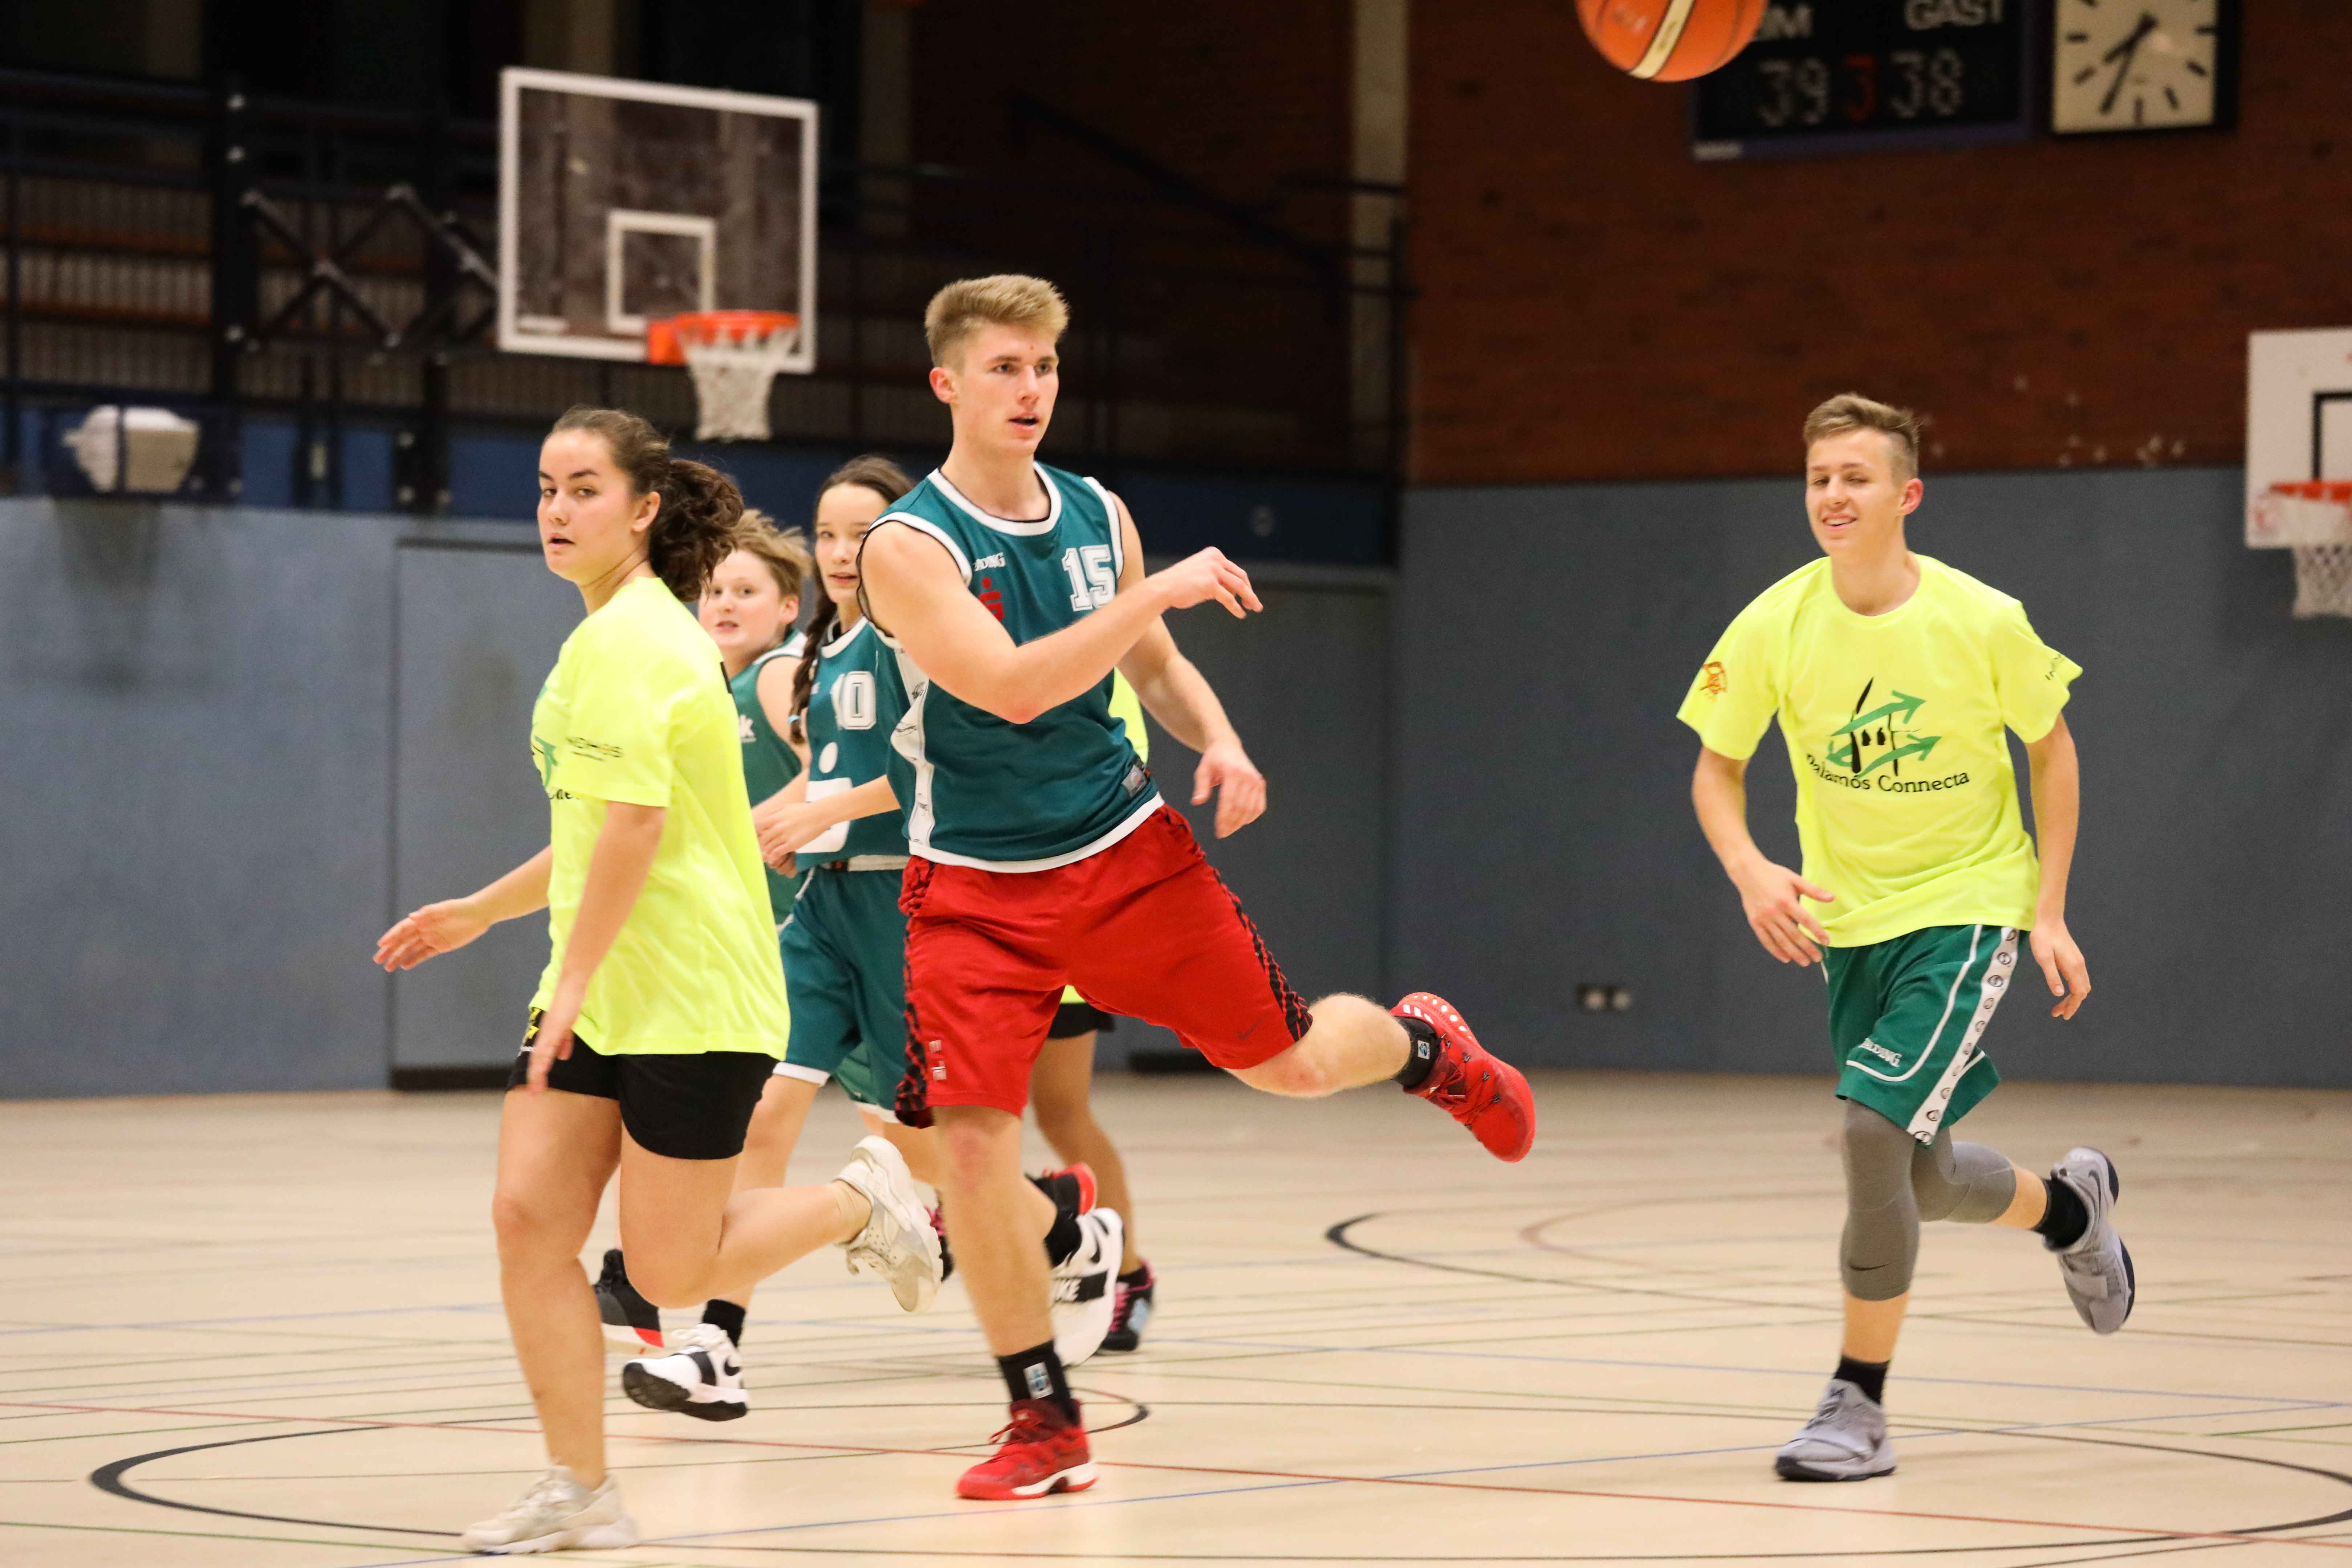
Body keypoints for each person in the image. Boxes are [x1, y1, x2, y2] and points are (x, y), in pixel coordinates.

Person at [856, 274, 1538, 1502]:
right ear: (946, 383)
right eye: (1004, 367)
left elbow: (1156, 667)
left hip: (1124, 855)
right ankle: (1042, 1416)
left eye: (1045, 366)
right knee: (970, 1144)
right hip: (973, 890)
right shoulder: (906, 546)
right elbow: (1009, 687)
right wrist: (1150, 592)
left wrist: (1218, 738)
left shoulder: (1096, 514)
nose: (1030, 388)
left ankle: (1422, 1047)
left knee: (1288, 1066)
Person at [373, 407, 939, 1552]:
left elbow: (634, 830)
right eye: (546, 488)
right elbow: (594, 829)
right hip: (596, 988)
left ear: (641, 510)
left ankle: (866, 1200)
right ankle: (578, 1488)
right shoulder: (597, 639)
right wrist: (483, 912)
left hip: (691, 993)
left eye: (583, 489)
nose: (555, 510)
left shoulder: (640, 639)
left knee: (671, 1268)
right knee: (527, 1220)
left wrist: (576, 979)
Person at [1678, 393, 2134, 1485]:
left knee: (1868, 1131)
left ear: (1906, 495)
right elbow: (1716, 770)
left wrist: (2046, 909)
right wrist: (1749, 870)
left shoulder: (1981, 619)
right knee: (1919, 1179)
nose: (1832, 496)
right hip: (1849, 922)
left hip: (1965, 906)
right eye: (1817, 479)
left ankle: (1858, 1404)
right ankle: (2072, 1210)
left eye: (1856, 477)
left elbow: (2052, 751)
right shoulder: (1773, 623)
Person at [615, 456, 1124, 1421]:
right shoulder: (827, 651)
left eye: (862, 532)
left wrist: (820, 809)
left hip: (911, 909)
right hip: (824, 911)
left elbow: (945, 770)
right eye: (828, 533)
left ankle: (1069, 1240)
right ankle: (716, 1346)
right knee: (760, 1114)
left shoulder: (923, 639)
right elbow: (824, 775)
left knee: (932, 1157)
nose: (843, 551)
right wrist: (777, 823)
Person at [591, 516, 823, 1356]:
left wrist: (757, 825)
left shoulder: (778, 675)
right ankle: (675, 1301)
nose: (723, 603)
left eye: (745, 591)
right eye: (714, 590)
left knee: (900, 1144)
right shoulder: (705, 685)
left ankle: (675, 1300)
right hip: (742, 943)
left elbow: (828, 770)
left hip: (803, 927)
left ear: (788, 607)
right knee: (888, 1140)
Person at [1029, 670, 1157, 1351]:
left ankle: (1129, 1273)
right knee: (952, 1115)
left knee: (1060, 1111)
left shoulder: (1100, 677)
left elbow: (1112, 792)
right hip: (972, 917)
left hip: (1061, 921)